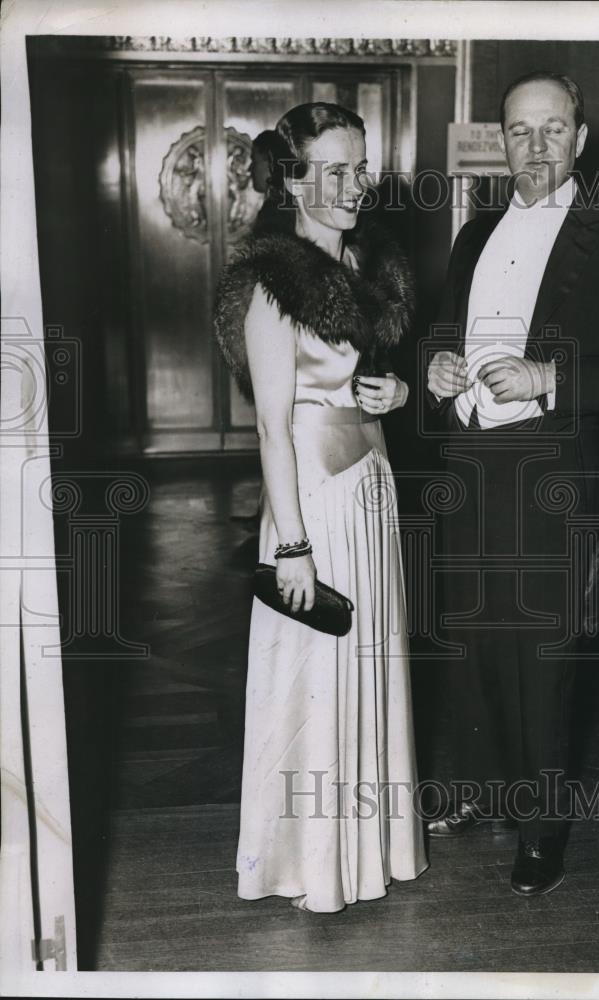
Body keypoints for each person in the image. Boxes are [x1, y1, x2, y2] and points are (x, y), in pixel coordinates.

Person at [426, 71, 599, 895]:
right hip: (472, 463)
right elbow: (438, 333)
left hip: (556, 475)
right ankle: (481, 790)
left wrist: (547, 377)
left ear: (581, 138)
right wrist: (433, 364)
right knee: (472, 638)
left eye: (553, 129)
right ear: (499, 142)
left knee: (541, 653)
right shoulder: (473, 235)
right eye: (520, 131)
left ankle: (541, 829)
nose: (535, 146)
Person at [214, 102, 428, 913]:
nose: (352, 186)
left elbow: (359, 385)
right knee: (316, 676)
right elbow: (271, 423)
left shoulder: (369, 270)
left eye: (359, 167)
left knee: (366, 663)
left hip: (371, 488)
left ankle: (367, 845)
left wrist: (396, 391)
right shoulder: (272, 284)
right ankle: (310, 864)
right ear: (292, 181)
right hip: (311, 500)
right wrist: (292, 548)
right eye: (331, 170)